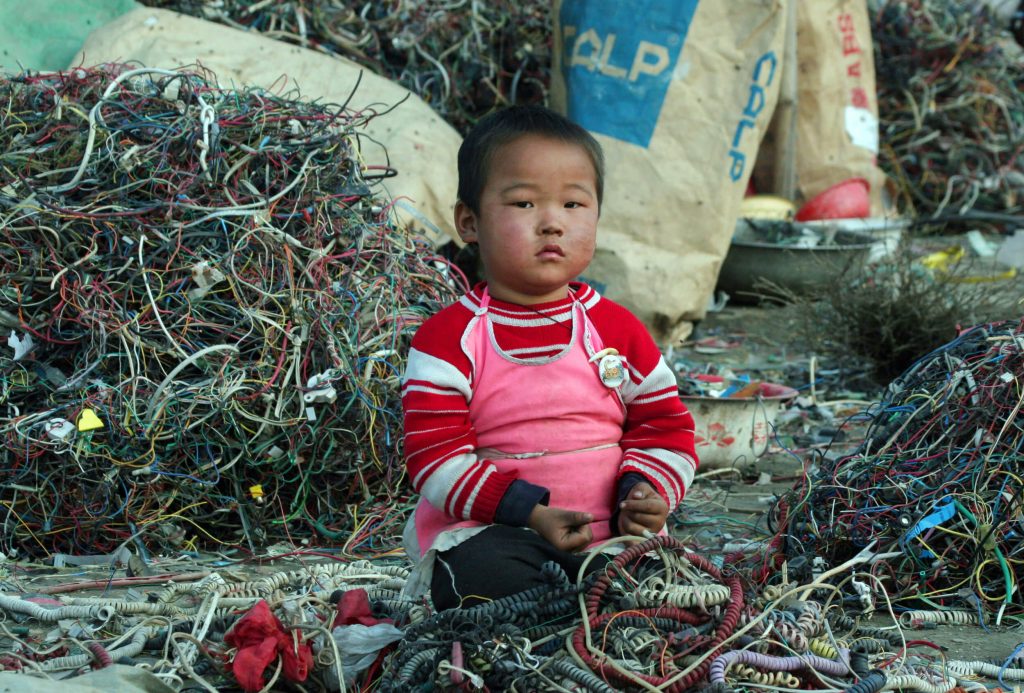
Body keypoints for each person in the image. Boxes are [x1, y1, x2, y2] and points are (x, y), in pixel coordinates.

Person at [401, 105, 698, 609]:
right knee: (474, 575)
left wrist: (646, 489)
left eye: (574, 205)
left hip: (612, 542)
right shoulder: (447, 340)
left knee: (667, 579)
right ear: (469, 222)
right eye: (522, 204)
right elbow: (436, 459)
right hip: (503, 537)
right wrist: (530, 513)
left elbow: (665, 427)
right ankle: (567, 603)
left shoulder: (618, 330)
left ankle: (595, 596)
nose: (552, 224)